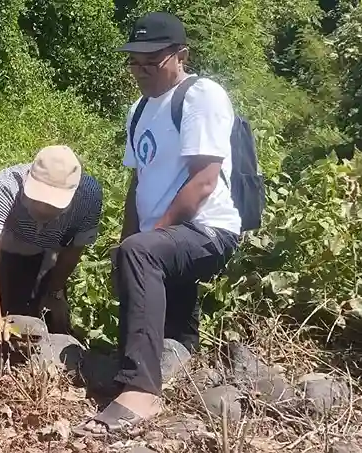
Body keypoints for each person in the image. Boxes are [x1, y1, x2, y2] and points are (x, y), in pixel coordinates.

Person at [73, 11, 243, 436]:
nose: (141, 70)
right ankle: (179, 355)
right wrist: (129, 238)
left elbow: (203, 181)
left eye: (152, 61)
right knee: (133, 254)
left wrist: (150, 237)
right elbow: (138, 181)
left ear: (180, 56)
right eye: (134, 61)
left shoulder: (201, 95)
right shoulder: (140, 109)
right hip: (167, 235)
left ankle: (142, 390)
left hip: (208, 230)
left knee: (142, 252)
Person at [0, 145, 103, 336]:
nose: (43, 208)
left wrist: (54, 292)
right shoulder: (3, 188)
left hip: (42, 246)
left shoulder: (89, 197)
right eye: (38, 198)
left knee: (24, 312)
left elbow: (73, 251)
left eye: (53, 204)